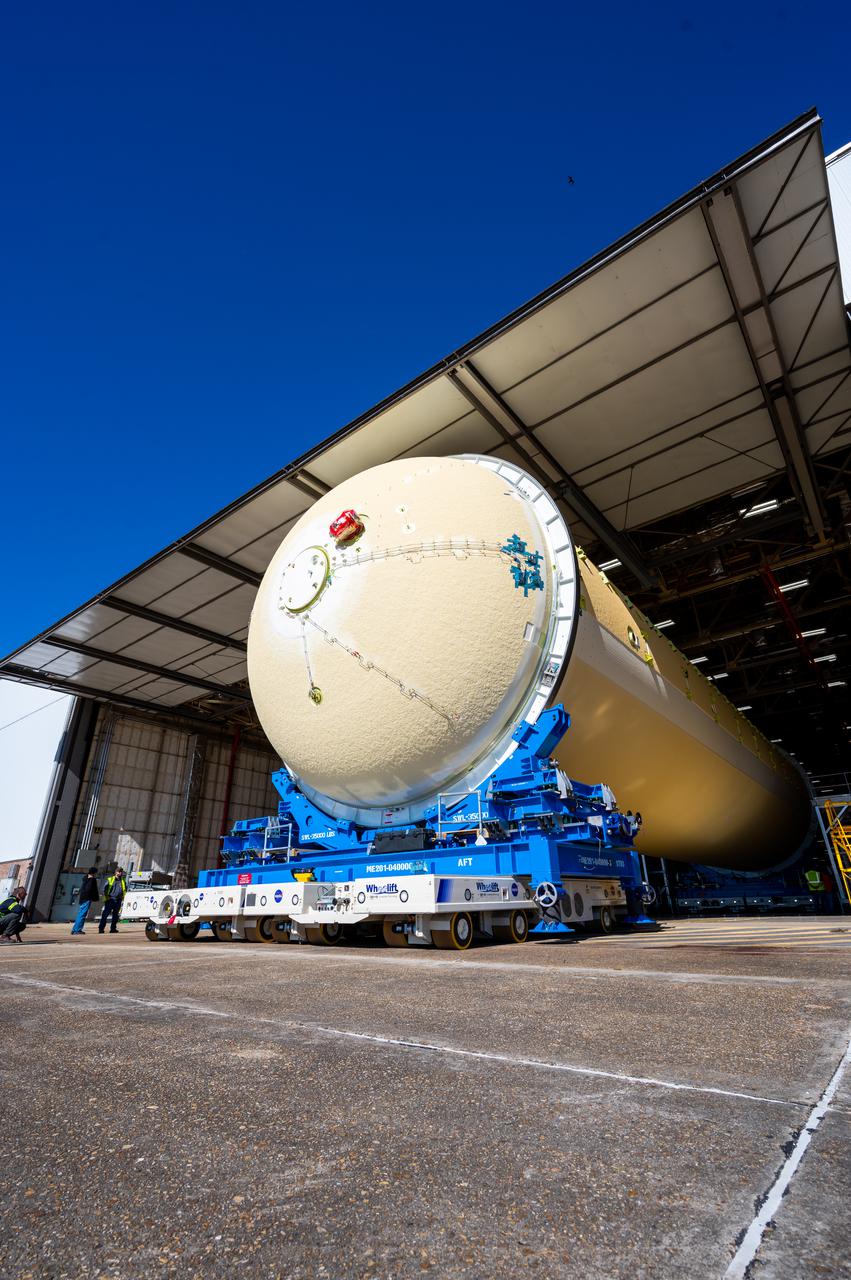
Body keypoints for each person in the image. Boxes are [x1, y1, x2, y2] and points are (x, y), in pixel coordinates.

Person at [71, 867, 100, 935]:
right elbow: (91, 890)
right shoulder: (92, 880)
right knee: (83, 914)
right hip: (87, 898)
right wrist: (94, 898)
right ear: (94, 873)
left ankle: (75, 929)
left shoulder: (85, 879)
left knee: (80, 913)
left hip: (82, 898)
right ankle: (77, 930)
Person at [98, 868, 126, 934]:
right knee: (105, 915)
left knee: (115, 916)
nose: (120, 873)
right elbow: (104, 889)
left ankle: (113, 929)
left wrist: (122, 897)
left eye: (121, 872)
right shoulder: (110, 879)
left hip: (118, 900)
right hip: (110, 900)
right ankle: (101, 929)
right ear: (116, 872)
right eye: (119, 872)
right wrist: (107, 897)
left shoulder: (123, 881)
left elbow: (124, 890)